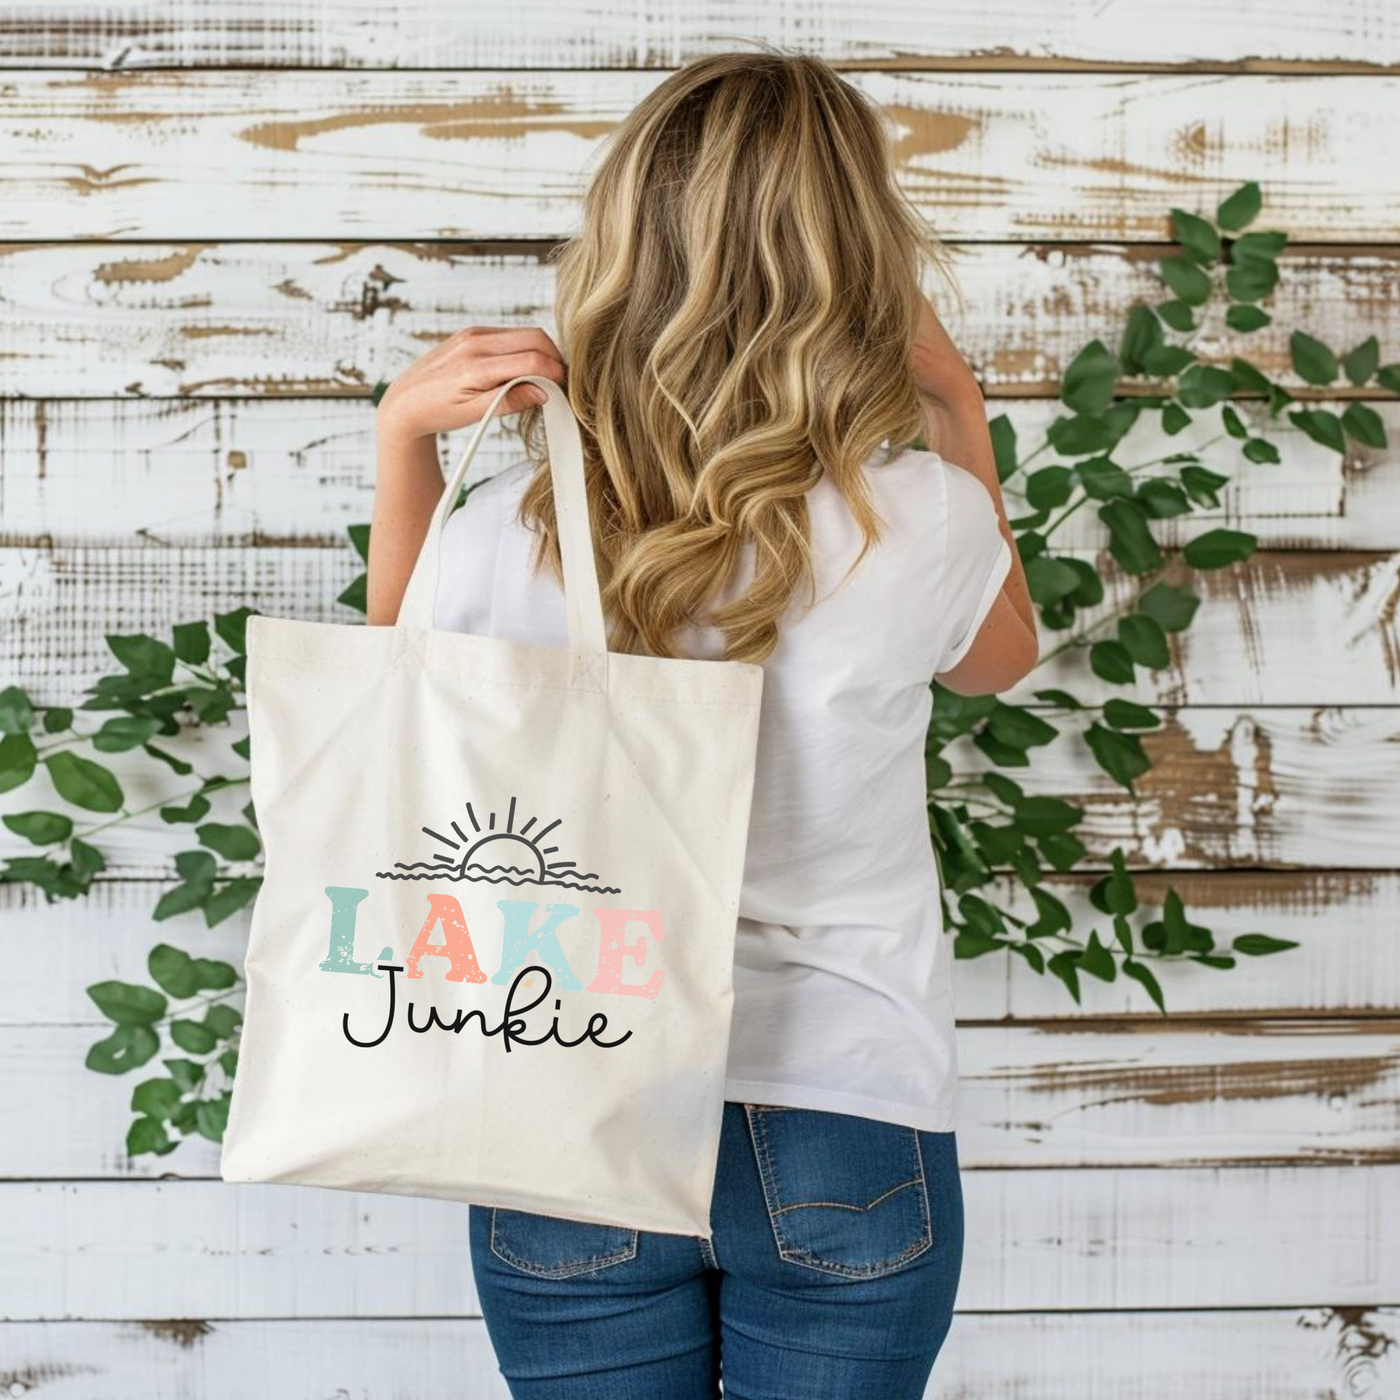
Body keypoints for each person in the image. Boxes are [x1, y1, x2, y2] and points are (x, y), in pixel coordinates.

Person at [367, 48, 1037, 1400]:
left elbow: (399, 703)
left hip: (570, 1088)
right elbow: (1000, 665)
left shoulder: (515, 521)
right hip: (849, 1109)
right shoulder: (924, 521)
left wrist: (405, 446)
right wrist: (958, 406)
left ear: (623, 247)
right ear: (864, 258)